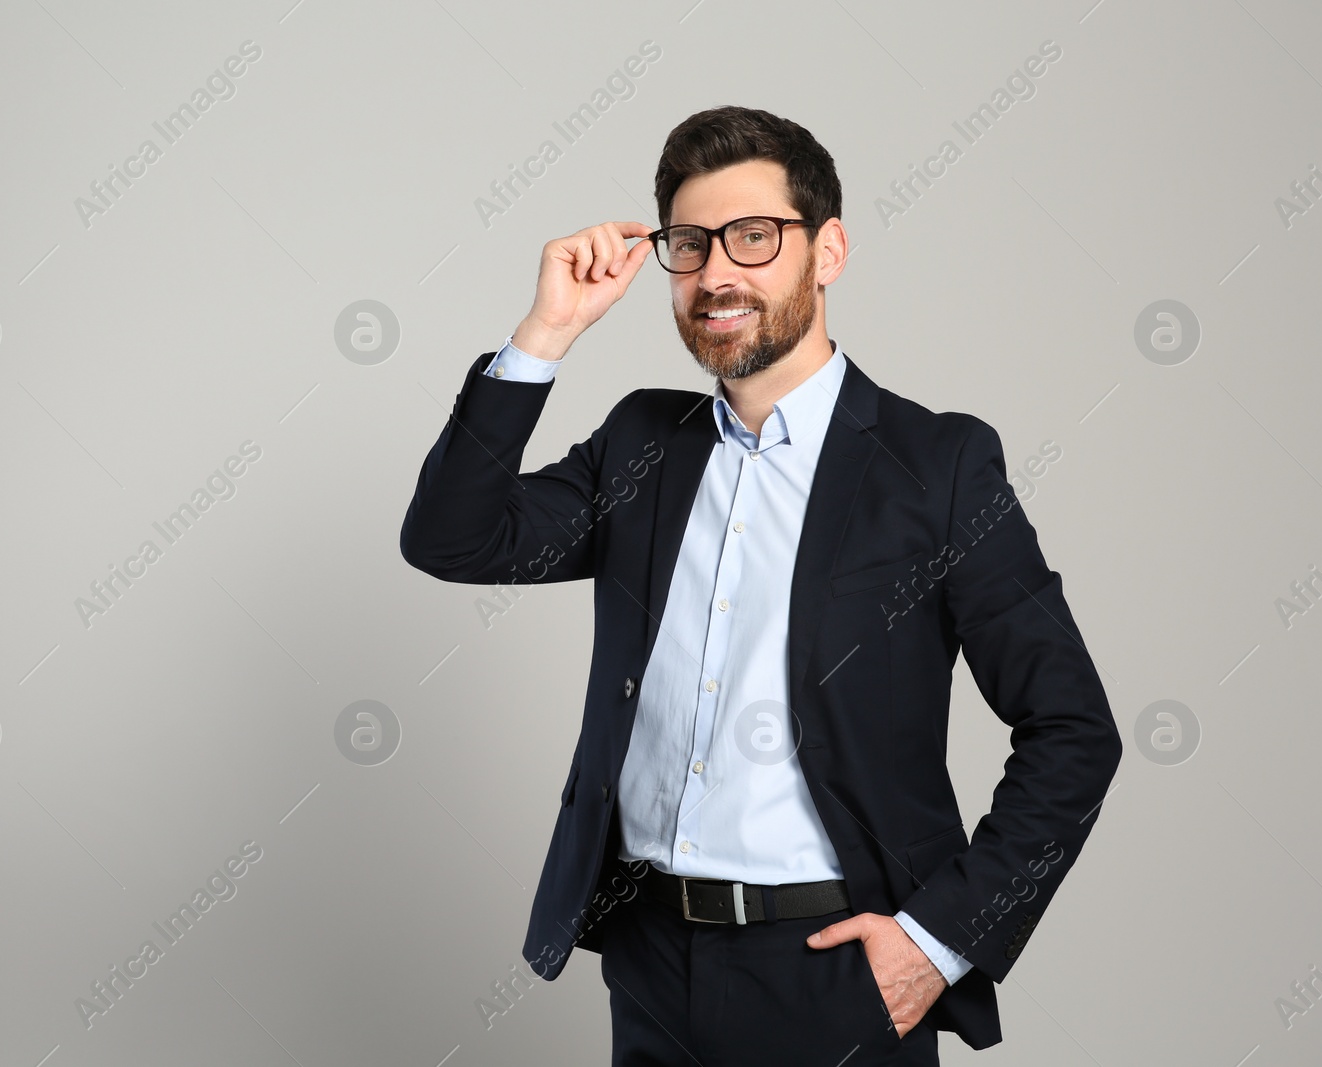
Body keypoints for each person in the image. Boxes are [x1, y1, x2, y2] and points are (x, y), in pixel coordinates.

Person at [401, 105, 1121, 1066]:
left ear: (828, 251)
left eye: (753, 237)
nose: (716, 273)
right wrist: (545, 333)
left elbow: (1073, 729)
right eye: (691, 245)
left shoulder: (934, 466)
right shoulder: (642, 445)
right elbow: (453, 538)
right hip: (651, 958)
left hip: (835, 969)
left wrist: (936, 943)